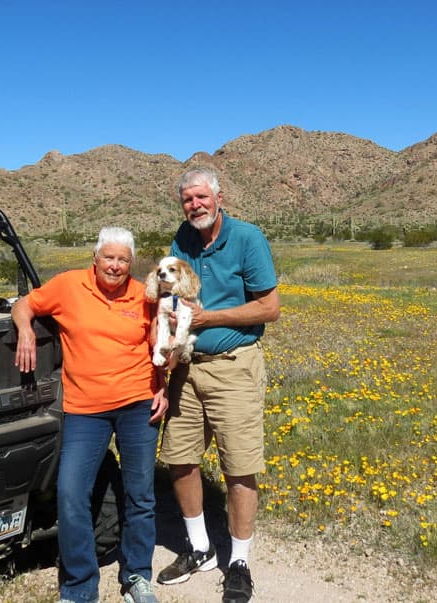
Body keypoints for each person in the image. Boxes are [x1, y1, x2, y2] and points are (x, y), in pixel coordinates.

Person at [12, 226, 167, 603]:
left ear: (132, 264)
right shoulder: (68, 286)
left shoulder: (146, 295)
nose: (115, 266)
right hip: (85, 409)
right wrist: (26, 333)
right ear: (95, 259)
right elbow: (24, 304)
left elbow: (161, 340)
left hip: (138, 403)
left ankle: (136, 576)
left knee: (140, 494)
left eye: (123, 260)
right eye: (109, 258)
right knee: (70, 492)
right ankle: (80, 586)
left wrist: (164, 385)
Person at [157, 167, 280, 603]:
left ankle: (240, 560)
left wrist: (212, 318)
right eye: (187, 199)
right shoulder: (183, 238)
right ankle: (200, 548)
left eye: (201, 197)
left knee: (239, 464)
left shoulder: (247, 239)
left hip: (234, 365)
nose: (195, 205)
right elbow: (175, 293)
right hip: (188, 365)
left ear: (218, 197)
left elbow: (269, 308)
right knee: (180, 457)